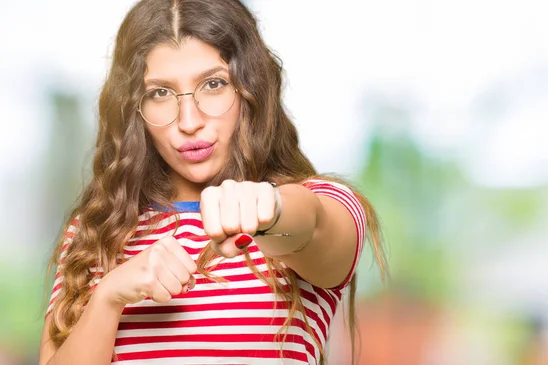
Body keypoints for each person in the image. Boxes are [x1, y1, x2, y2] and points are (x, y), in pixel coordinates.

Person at [39, 0, 386, 364]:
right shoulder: (95, 233)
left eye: (214, 84)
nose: (189, 120)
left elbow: (311, 224)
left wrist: (269, 210)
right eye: (160, 92)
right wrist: (108, 297)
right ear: (134, 110)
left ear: (250, 90)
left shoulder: (317, 203)